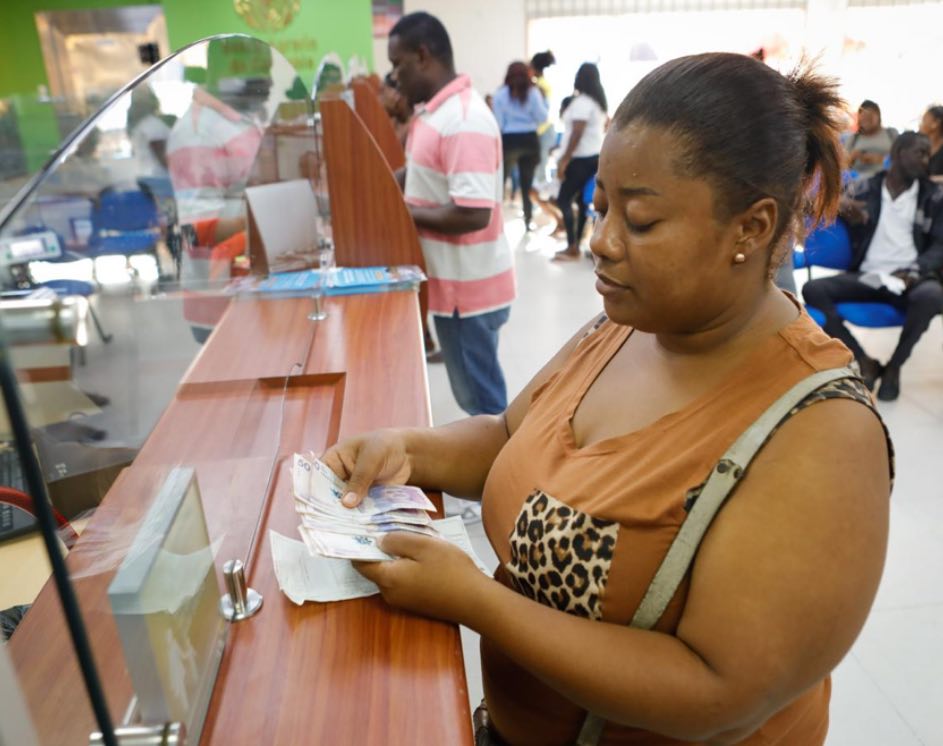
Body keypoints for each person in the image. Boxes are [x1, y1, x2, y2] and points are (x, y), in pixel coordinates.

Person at [323, 53, 891, 745]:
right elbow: (511, 438)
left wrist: (476, 601)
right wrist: (406, 449)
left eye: (641, 222)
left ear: (751, 227)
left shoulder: (820, 431)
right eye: (599, 208)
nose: (600, 242)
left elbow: (718, 693)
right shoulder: (625, 327)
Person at [388, 12, 515, 415]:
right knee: (475, 396)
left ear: (423, 56)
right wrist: (382, 183)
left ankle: (500, 475)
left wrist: (400, 212)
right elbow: (426, 175)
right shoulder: (435, 114)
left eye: (398, 64)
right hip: (454, 287)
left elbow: (472, 213)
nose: (395, 77)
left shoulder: (463, 119)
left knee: (482, 404)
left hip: (468, 292)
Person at [802, 131, 943, 401]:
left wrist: (914, 271)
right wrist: (840, 203)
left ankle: (894, 368)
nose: (926, 161)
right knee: (813, 290)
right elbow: (810, 202)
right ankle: (864, 360)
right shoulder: (865, 187)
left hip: (909, 277)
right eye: (920, 153)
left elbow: (940, 244)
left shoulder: (933, 196)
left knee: (933, 295)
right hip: (868, 276)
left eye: (928, 154)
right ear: (900, 153)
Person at [553, 63, 607, 261]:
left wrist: (564, 160)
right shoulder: (598, 103)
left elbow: (577, 132)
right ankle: (576, 243)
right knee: (580, 201)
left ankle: (572, 246)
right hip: (593, 157)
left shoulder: (583, 102)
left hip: (580, 159)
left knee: (563, 199)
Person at [493, 61, 549, 229]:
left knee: (500, 183)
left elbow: (498, 123)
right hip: (530, 140)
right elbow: (543, 118)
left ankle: (496, 222)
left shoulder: (500, 95)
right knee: (527, 183)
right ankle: (528, 220)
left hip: (509, 140)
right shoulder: (533, 93)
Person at [846, 100, 897, 178]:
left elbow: (903, 160)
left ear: (878, 116)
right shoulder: (853, 139)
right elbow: (842, 166)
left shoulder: (891, 134)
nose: (866, 121)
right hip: (859, 184)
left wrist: (880, 159)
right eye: (863, 118)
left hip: (887, 181)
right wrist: (853, 157)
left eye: (869, 117)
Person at [379, 72, 414, 148]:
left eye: (382, 93)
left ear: (396, 94)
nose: (379, 100)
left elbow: (393, 148)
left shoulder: (415, 123)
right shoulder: (395, 121)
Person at [919, 104, 943, 179]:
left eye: (924, 120)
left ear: (935, 123)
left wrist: (930, 180)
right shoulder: (918, 145)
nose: (920, 125)